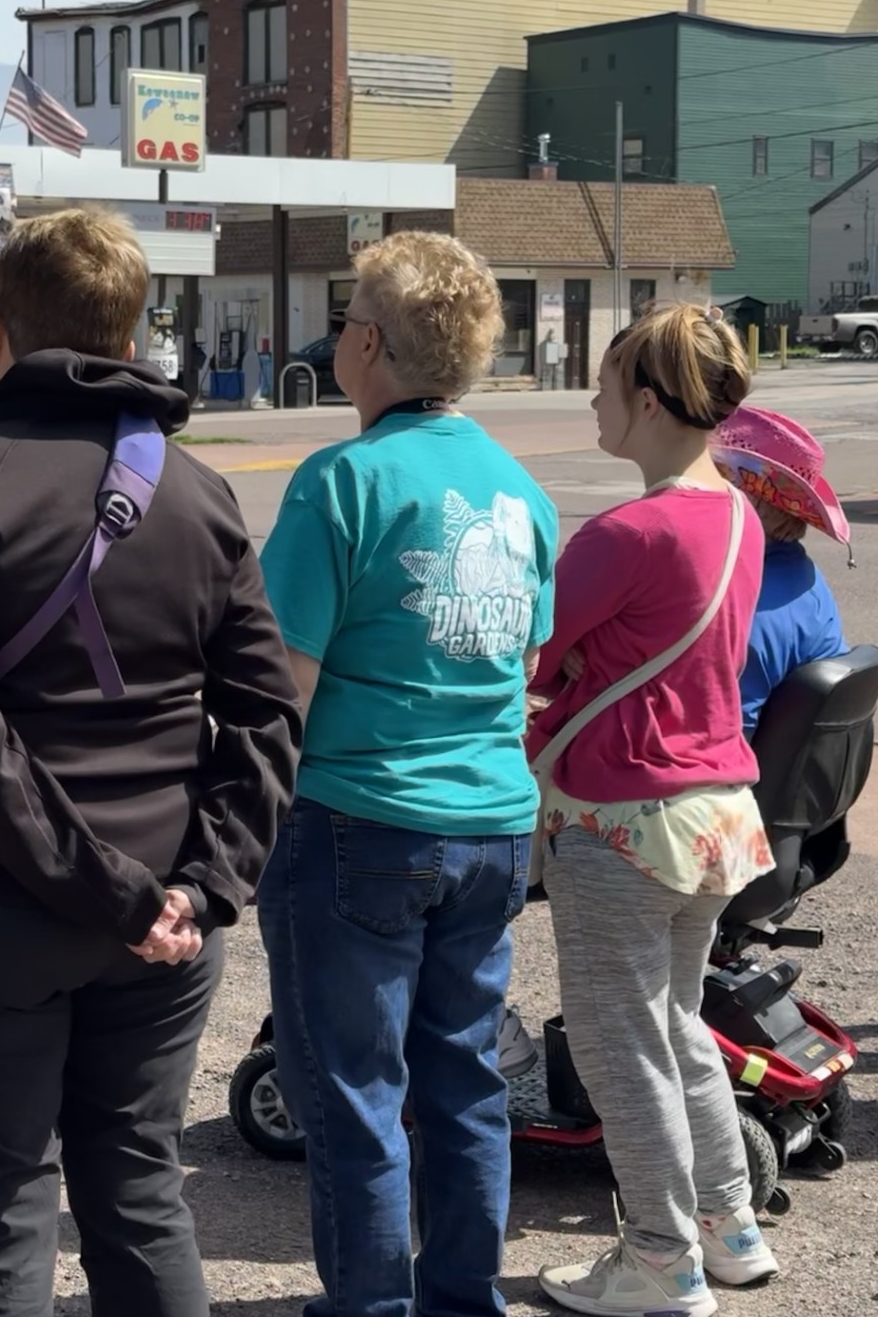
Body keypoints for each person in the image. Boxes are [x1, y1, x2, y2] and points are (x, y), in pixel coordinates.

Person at [0, 208, 301, 1317]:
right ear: (129, 329)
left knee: (3, 1212)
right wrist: (202, 888)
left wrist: (108, 892)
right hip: (162, 915)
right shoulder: (200, 494)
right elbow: (266, 709)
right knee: (140, 1190)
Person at [256, 230, 558, 1317]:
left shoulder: (341, 481)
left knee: (352, 1093)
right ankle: (462, 1299)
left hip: (361, 819)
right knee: (465, 1082)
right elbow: (518, 664)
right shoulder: (521, 491)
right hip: (491, 823)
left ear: (370, 344)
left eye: (346, 322)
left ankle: (370, 1305)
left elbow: (283, 683)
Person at [529, 306, 777, 1317]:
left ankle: (660, 1261)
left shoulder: (628, 531)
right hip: (715, 807)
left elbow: (530, 651)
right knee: (676, 1027)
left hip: (621, 816)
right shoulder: (740, 514)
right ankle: (729, 1227)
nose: (592, 399)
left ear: (645, 399)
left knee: (619, 1045)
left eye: (604, 383)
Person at [708, 405, 851, 735]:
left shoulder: (745, 609)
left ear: (745, 500)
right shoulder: (799, 574)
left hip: (743, 777)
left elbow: (724, 737)